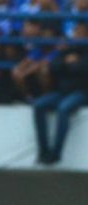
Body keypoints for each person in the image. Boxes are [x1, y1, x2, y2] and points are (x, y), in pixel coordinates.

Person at [32, 22, 88, 164]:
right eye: (76, 32)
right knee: (39, 105)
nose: (77, 35)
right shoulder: (67, 50)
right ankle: (43, 151)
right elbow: (53, 66)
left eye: (81, 33)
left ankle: (56, 153)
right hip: (62, 91)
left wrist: (70, 64)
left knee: (63, 109)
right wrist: (68, 63)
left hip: (81, 92)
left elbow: (83, 69)